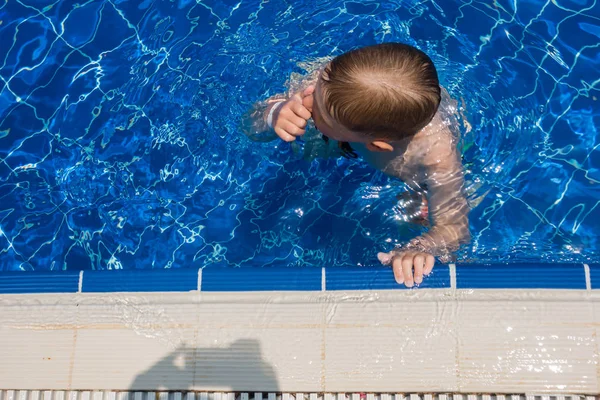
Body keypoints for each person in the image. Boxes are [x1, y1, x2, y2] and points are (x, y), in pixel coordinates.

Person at [241, 42, 470, 287]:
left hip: (415, 179)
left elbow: (454, 230)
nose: (307, 98)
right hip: (361, 128)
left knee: (414, 212)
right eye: (317, 86)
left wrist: (418, 248)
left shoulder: (435, 157)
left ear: (375, 145)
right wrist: (274, 113)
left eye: (318, 114)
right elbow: (249, 126)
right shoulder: (335, 82)